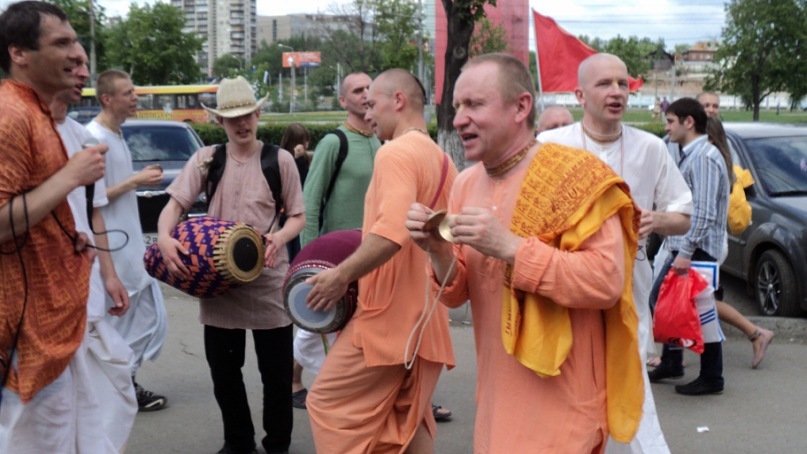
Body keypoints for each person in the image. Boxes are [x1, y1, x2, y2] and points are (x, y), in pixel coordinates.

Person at [406, 53, 644, 453]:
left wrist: (511, 248)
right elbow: (457, 293)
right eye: (457, 106)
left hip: (563, 406)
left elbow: (606, 282)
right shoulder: (466, 184)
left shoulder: (578, 176)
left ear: (520, 107)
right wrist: (437, 249)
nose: (459, 119)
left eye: (474, 104)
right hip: (495, 403)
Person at [538, 53, 692, 454]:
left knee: (629, 385)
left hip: (628, 288)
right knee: (571, 389)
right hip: (565, 289)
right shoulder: (550, 147)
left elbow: (684, 215)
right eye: (605, 84)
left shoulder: (650, 148)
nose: (617, 92)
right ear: (579, 95)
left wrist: (657, 219)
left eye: (623, 84)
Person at [304, 69, 457, 453]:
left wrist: (340, 276)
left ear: (398, 100)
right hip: (428, 321)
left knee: (326, 404)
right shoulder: (444, 161)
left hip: (387, 321)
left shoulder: (394, 152)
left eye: (373, 104)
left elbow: (392, 232)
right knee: (407, 421)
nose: (368, 114)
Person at [157, 75, 305, 454]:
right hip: (219, 285)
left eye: (247, 115)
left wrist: (280, 238)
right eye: (232, 117)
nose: (242, 123)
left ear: (258, 115)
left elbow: (297, 216)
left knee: (276, 376)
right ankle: (238, 442)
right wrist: (164, 236)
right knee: (224, 373)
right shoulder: (207, 159)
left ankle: (277, 445)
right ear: (219, 120)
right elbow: (175, 205)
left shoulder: (279, 160)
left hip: (268, 281)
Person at [0, 2, 108, 450]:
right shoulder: (10, 113)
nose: (77, 53)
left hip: (52, 321)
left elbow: (30, 209)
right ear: (19, 54)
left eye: (76, 42)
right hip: (26, 334)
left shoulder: (34, 111)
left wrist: (65, 238)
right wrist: (71, 176)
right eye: (61, 43)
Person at [49, 44, 138, 451]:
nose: (82, 72)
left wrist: (109, 274)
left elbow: (94, 211)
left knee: (110, 387)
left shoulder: (81, 136)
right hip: (42, 292)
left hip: (88, 285)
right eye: (73, 63)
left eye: (85, 64)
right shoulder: (18, 127)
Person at [291, 72, 381, 411]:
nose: (365, 94)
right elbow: (310, 201)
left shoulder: (379, 140)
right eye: (357, 90)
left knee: (354, 324)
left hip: (370, 252)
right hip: (332, 255)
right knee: (316, 323)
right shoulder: (334, 142)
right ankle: (293, 379)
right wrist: (306, 260)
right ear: (343, 100)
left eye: (370, 88)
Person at [87, 69, 169, 412]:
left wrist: (135, 181)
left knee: (150, 320)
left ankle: (120, 384)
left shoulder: (117, 134)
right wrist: (135, 181)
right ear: (107, 98)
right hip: (112, 251)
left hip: (132, 247)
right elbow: (92, 199)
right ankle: (119, 388)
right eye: (128, 93)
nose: (136, 97)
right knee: (125, 324)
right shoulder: (93, 137)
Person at [649, 98, 731, 396]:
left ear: (689, 122)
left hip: (698, 249)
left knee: (700, 312)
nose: (666, 127)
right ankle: (673, 361)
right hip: (687, 246)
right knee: (666, 302)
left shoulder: (704, 157)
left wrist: (685, 252)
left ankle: (712, 376)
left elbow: (705, 213)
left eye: (671, 121)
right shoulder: (692, 154)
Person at [279, 122, 311, 262]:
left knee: (297, 252)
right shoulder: (282, 159)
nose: (306, 144)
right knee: (288, 253)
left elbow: (306, 183)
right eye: (304, 141)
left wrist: (300, 159)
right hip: (285, 215)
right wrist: (297, 160)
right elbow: (295, 182)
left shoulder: (305, 160)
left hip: (299, 214)